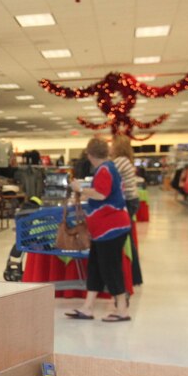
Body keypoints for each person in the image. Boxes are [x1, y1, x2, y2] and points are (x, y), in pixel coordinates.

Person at [65, 137, 132, 322]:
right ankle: (88, 307)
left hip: (110, 228)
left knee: (110, 269)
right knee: (95, 267)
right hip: (105, 229)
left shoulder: (104, 170)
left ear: (89, 154)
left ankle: (122, 310)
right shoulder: (108, 168)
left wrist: (80, 189)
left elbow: (101, 194)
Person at [110, 134, 142, 286]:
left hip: (127, 202)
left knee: (124, 239)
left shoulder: (120, 162)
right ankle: (134, 275)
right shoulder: (126, 161)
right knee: (127, 238)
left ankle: (133, 275)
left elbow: (110, 176)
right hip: (131, 200)